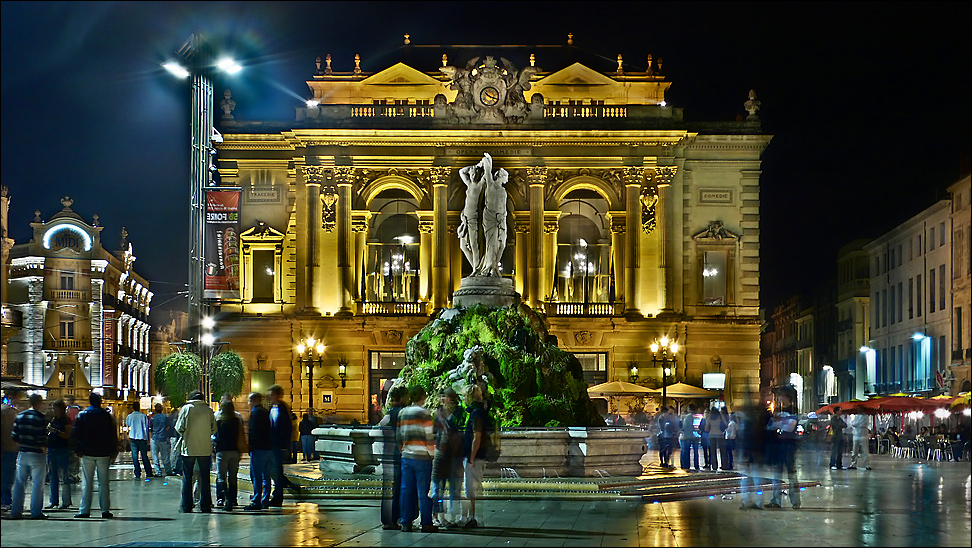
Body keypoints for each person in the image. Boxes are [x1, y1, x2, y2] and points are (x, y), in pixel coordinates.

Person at [72, 391, 117, 519]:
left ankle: (84, 510)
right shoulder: (107, 416)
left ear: (90, 401)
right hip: (103, 453)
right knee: (103, 482)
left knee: (87, 482)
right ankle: (105, 510)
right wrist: (113, 451)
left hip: (87, 452)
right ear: (100, 402)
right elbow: (112, 434)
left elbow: (76, 434)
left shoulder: (82, 415)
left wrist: (77, 450)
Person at [398, 385, 436, 533]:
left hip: (407, 457)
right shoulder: (424, 413)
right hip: (422, 458)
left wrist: (404, 450)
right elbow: (429, 436)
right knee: (423, 491)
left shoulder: (403, 413)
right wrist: (431, 454)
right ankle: (426, 523)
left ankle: (405, 522)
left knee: (406, 490)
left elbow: (400, 435)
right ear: (423, 396)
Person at [175, 390, 217, 513]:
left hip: (189, 448)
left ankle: (186, 505)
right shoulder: (208, 410)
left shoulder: (186, 409)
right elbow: (214, 429)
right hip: (205, 448)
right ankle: (205, 505)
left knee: (188, 477)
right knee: (205, 477)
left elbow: (179, 427)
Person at [10, 393, 49, 519]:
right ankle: (36, 512)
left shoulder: (20, 416)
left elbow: (14, 436)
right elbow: (42, 439)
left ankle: (16, 511)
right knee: (38, 484)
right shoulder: (41, 418)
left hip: (22, 453)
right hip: (37, 454)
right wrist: (44, 450)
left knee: (20, 482)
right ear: (39, 403)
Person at [431, 388, 464, 528]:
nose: (443, 399)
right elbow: (433, 431)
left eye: (445, 397)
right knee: (438, 486)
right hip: (441, 452)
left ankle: (453, 516)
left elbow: (460, 429)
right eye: (442, 397)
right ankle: (438, 516)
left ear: (452, 398)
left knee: (454, 487)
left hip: (455, 454)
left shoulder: (459, 412)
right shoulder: (438, 413)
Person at [379, 385, 408, 530]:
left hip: (386, 456)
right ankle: (396, 519)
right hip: (397, 456)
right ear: (402, 398)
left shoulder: (387, 415)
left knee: (387, 489)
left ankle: (386, 520)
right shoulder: (401, 414)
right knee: (398, 489)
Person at [767, 387, 801, 509]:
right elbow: (771, 426)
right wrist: (780, 424)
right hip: (779, 444)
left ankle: (795, 501)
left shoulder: (793, 410)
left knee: (791, 473)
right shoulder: (778, 411)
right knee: (778, 473)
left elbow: (789, 427)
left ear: (786, 397)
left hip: (788, 444)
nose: (779, 398)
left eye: (781, 396)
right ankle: (776, 500)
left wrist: (778, 424)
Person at [460, 384, 488, 529]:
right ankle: (472, 517)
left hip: (475, 458)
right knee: (473, 487)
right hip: (477, 456)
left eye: (464, 396)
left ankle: (474, 517)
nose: (463, 398)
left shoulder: (476, 414)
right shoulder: (479, 412)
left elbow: (476, 437)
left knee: (472, 488)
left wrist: (471, 457)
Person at [214, 397, 244, 511]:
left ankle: (223, 498)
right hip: (234, 451)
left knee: (221, 477)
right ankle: (232, 499)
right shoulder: (237, 420)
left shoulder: (219, 421)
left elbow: (216, 437)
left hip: (222, 451)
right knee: (233, 477)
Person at [244, 391, 273, 511]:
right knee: (266, 476)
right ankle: (265, 500)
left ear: (254, 400)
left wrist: (250, 446)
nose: (248, 403)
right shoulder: (266, 412)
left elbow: (253, 432)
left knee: (256, 475)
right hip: (268, 447)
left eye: (249, 401)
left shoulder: (255, 413)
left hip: (258, 448)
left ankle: (256, 500)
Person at [266, 384, 293, 507]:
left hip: (278, 445)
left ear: (277, 395)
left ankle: (278, 496)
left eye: (271, 394)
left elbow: (287, 428)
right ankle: (282, 488)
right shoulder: (271, 408)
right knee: (274, 470)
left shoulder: (283, 409)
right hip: (271, 444)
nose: (269, 396)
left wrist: (285, 445)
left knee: (276, 470)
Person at [46, 399, 73, 510]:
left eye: (55, 408)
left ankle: (66, 501)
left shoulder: (65, 420)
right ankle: (53, 501)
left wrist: (55, 431)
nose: (54, 411)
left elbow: (67, 435)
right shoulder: (53, 419)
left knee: (64, 476)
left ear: (61, 409)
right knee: (53, 476)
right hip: (52, 448)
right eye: (53, 409)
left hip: (62, 449)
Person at [1, 388, 24, 513]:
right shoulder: (12, 412)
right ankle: (5, 500)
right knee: (7, 476)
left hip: (7, 447)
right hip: (10, 448)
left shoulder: (10, 412)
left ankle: (5, 500)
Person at [125, 401, 154, 479]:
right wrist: (148, 439)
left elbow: (128, 424)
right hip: (142, 438)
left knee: (135, 456)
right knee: (144, 455)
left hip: (133, 438)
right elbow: (146, 427)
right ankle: (148, 472)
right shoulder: (143, 416)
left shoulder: (130, 416)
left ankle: (137, 472)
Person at [149, 403, 173, 477]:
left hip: (155, 438)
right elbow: (168, 427)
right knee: (165, 456)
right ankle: (168, 471)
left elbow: (150, 429)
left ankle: (158, 472)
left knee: (155, 456)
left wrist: (150, 438)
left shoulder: (153, 418)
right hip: (163, 439)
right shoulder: (166, 417)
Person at [679, 405, 701, 471]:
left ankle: (685, 465)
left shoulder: (688, 417)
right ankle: (695, 465)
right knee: (694, 451)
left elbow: (685, 427)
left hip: (687, 436)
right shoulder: (692, 417)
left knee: (685, 451)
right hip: (692, 436)